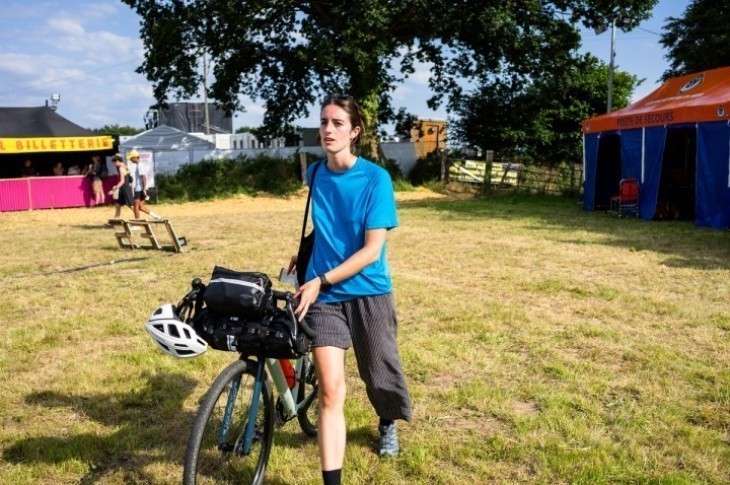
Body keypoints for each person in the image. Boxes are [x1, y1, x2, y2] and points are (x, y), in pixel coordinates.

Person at [288, 94, 411, 485]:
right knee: (331, 391)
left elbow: (372, 250)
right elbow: (328, 228)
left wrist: (322, 277)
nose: (327, 129)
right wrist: (304, 252)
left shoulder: (376, 179)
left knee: (379, 375)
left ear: (354, 131)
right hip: (324, 298)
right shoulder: (315, 176)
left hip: (368, 291)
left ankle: (387, 420)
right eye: (323, 121)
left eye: (337, 123)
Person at [128, 150, 160, 220]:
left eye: (131, 158)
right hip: (140, 188)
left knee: (135, 206)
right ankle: (155, 216)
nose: (130, 160)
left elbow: (144, 177)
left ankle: (137, 224)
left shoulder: (140, 165)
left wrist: (144, 189)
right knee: (140, 207)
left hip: (139, 189)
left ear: (135, 157)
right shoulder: (139, 165)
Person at [109, 155, 134, 219]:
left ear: (117, 161)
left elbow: (122, 181)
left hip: (125, 189)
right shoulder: (124, 166)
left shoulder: (121, 168)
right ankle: (115, 221)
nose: (114, 164)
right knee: (117, 205)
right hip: (122, 189)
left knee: (131, 206)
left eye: (114, 162)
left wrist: (114, 190)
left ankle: (139, 218)